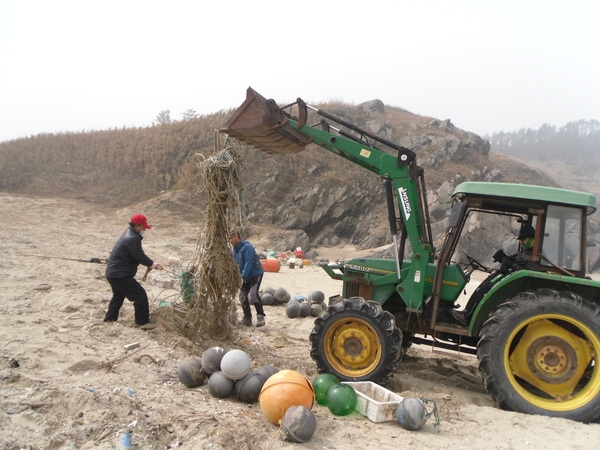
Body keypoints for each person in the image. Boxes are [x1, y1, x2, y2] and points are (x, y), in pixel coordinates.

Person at [452, 224, 535, 326]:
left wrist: (512, 265)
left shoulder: (535, 256)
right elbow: (510, 258)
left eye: (524, 240)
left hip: (518, 287)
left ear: (532, 239)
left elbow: (528, 272)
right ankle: (467, 311)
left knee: (485, 288)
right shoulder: (524, 252)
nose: (522, 243)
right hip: (514, 284)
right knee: (485, 284)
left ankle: (467, 316)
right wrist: (505, 262)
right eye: (521, 241)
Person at [104, 214, 164, 330]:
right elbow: (139, 256)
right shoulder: (132, 238)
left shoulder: (129, 234)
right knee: (140, 295)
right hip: (120, 274)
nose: (144, 230)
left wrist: (151, 264)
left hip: (113, 273)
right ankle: (142, 322)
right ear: (137, 226)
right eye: (143, 227)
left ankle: (109, 320)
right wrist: (152, 264)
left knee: (118, 296)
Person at [229, 230, 266, 327]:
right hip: (246, 276)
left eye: (232, 238)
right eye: (229, 239)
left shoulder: (247, 247)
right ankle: (247, 317)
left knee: (253, 294)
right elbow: (235, 267)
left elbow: (248, 263)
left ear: (237, 237)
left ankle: (260, 316)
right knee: (241, 295)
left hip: (255, 274)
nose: (230, 240)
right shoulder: (234, 251)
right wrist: (236, 280)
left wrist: (243, 277)